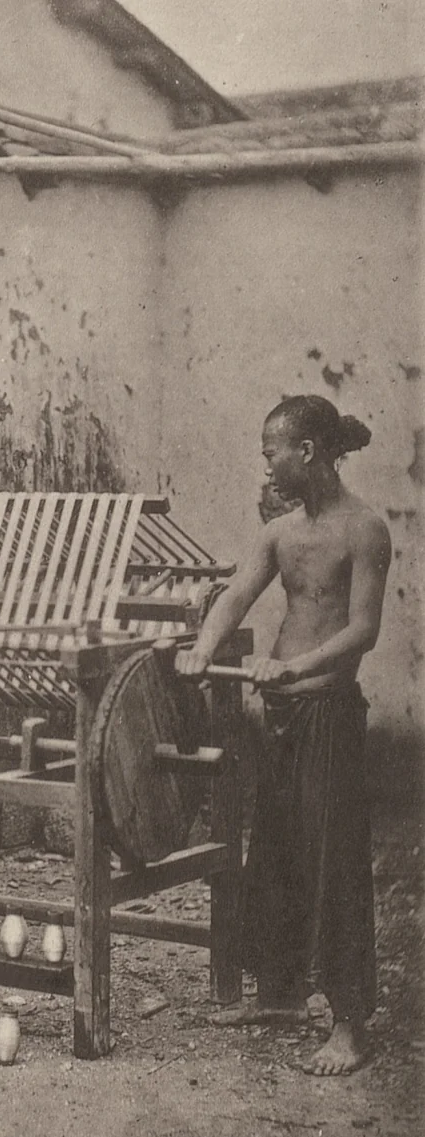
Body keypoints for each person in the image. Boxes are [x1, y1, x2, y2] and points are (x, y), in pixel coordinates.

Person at [176, 394, 390, 1077]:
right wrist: (201, 649)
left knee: (334, 863)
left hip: (328, 714)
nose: (266, 464)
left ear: (308, 451)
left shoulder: (365, 530)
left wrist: (296, 667)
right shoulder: (280, 533)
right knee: (273, 851)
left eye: (272, 452)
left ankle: (350, 1025)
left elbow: (363, 630)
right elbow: (237, 595)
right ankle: (280, 996)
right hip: (279, 716)